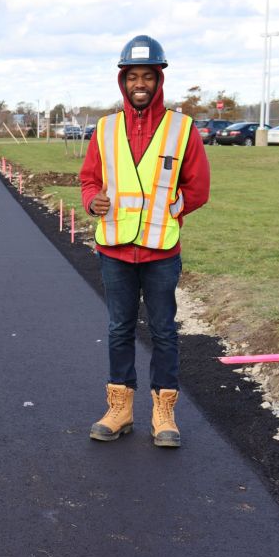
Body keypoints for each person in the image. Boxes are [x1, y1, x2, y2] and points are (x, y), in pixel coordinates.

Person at [80, 35, 210, 448]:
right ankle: (119, 409)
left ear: (159, 79)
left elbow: (198, 187)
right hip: (115, 247)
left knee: (164, 330)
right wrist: (92, 200)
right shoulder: (104, 129)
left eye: (147, 76)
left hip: (160, 252)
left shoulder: (181, 128)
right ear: (123, 81)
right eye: (132, 76)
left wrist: (174, 208)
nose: (140, 83)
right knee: (119, 329)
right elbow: (90, 180)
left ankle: (163, 412)